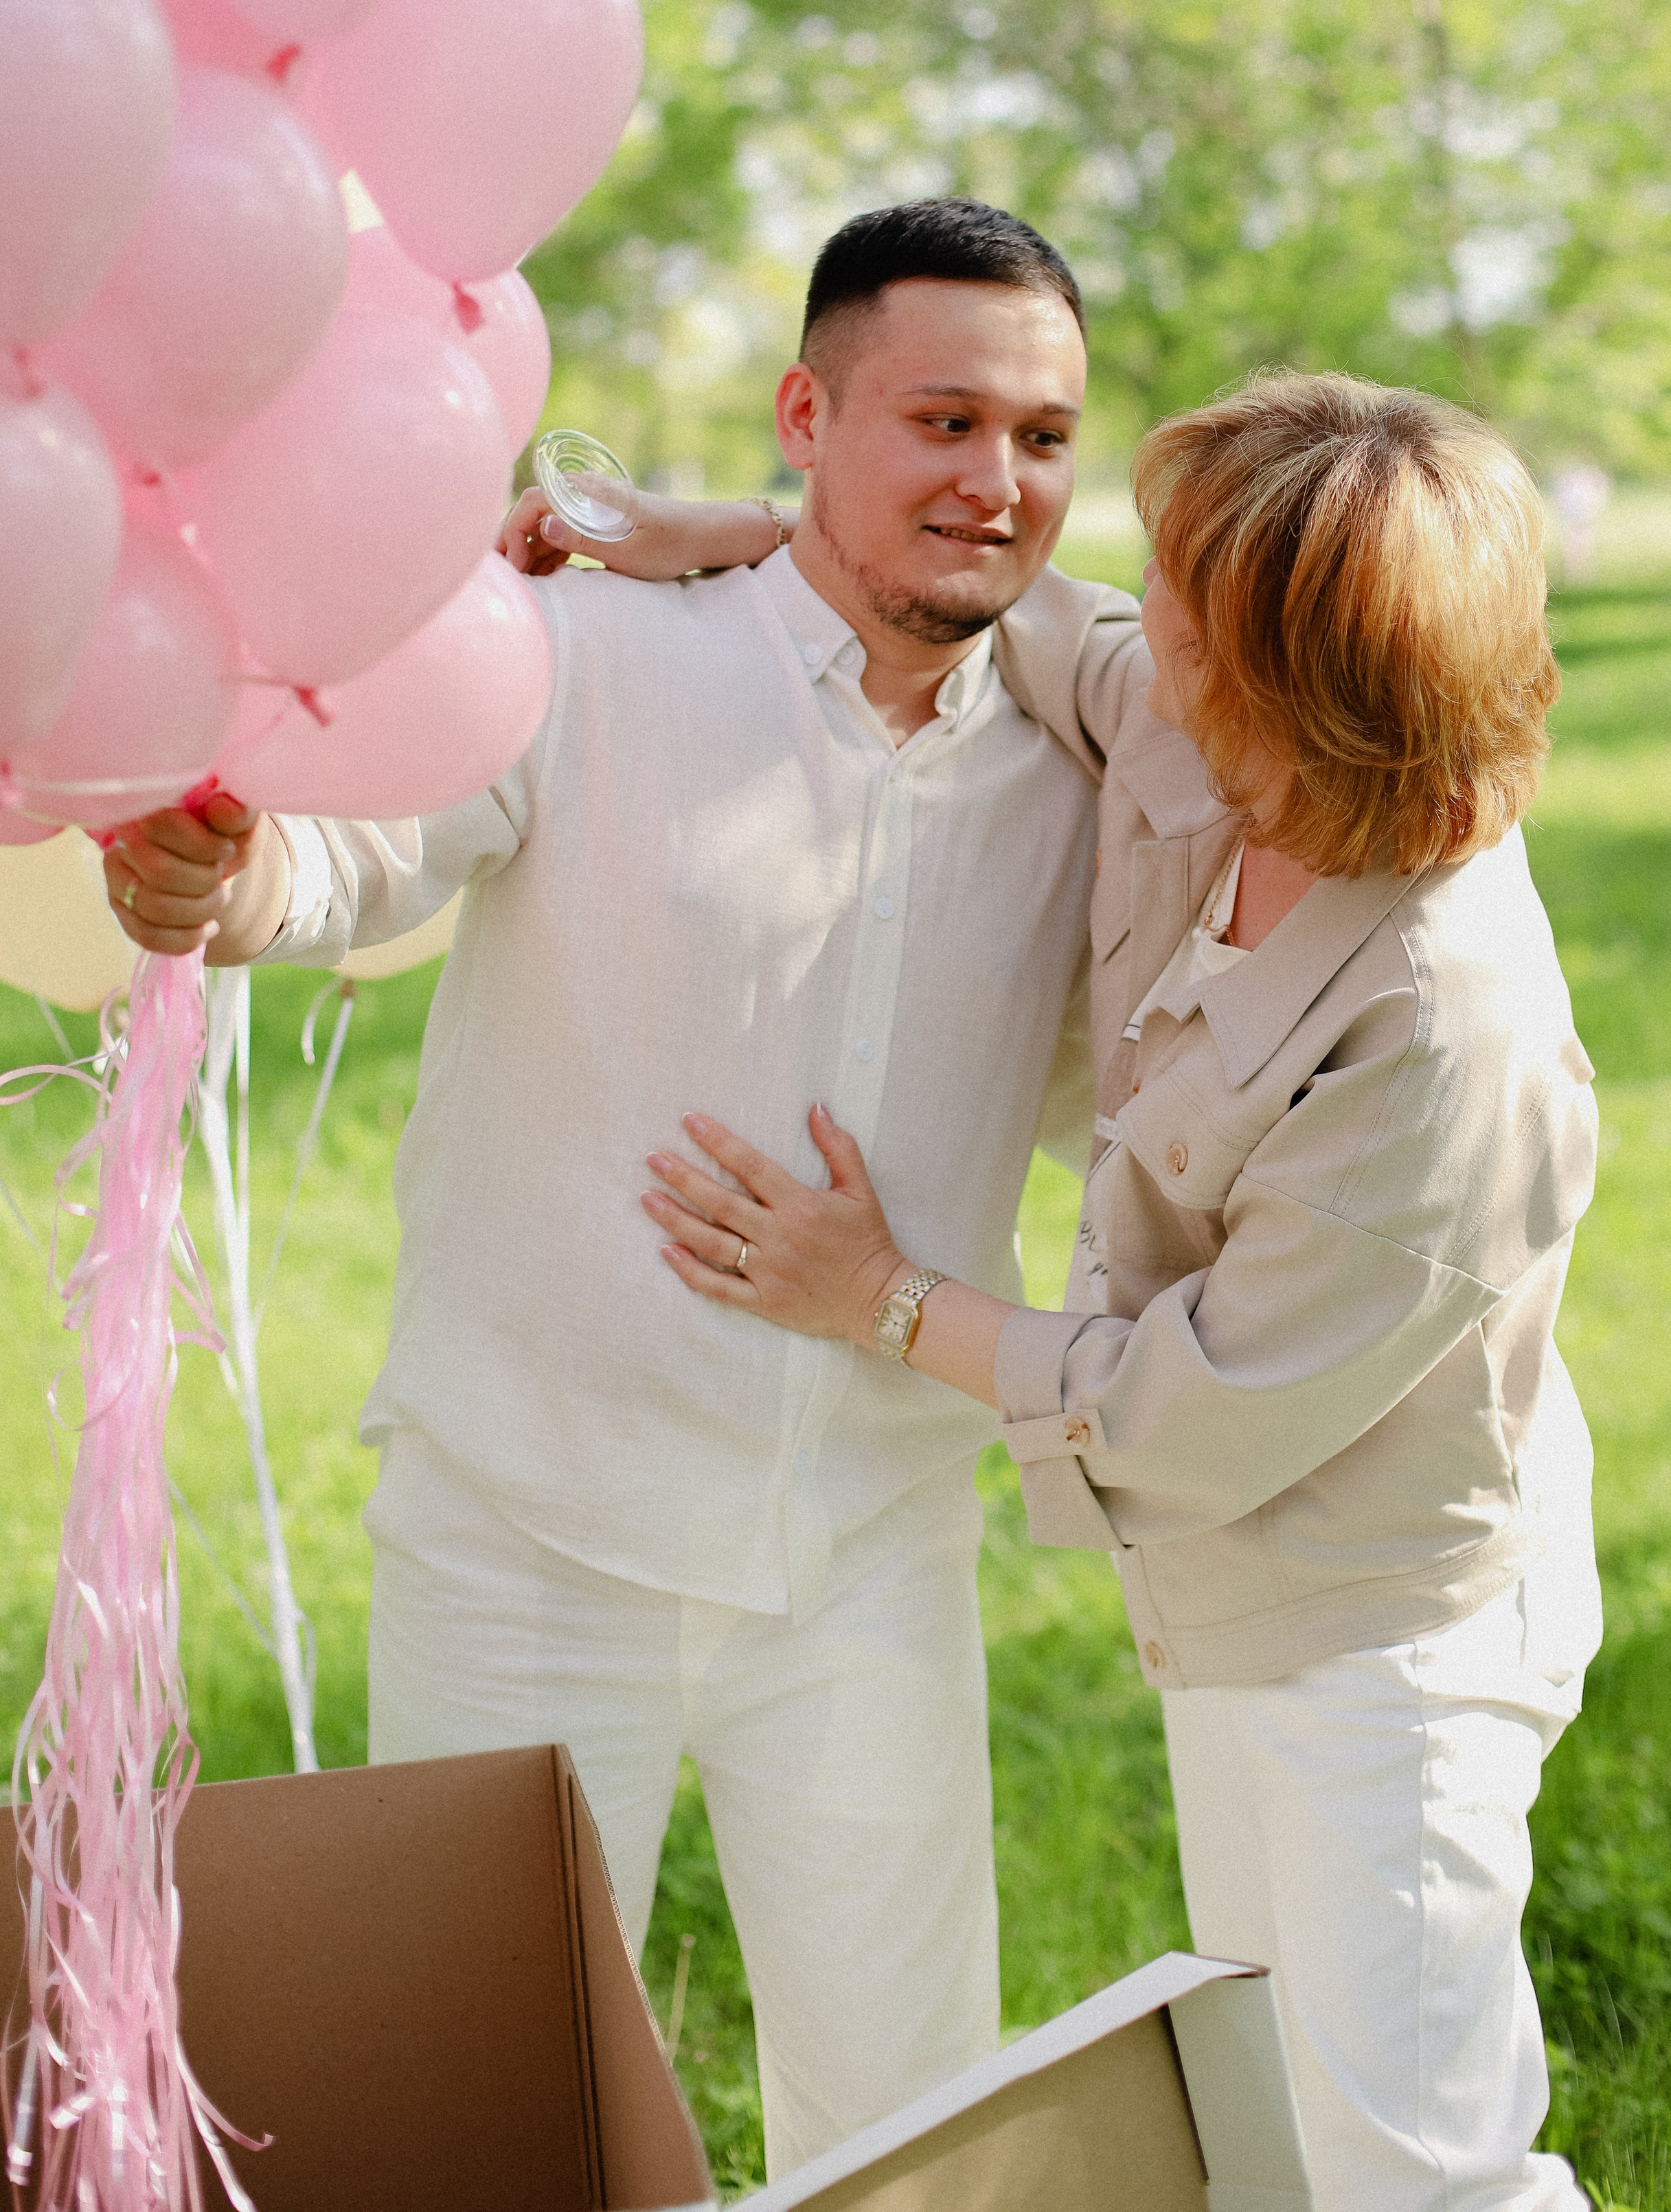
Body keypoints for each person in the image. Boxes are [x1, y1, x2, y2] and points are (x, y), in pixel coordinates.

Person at [104, 198, 1150, 2178]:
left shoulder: (1077, 753)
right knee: (471, 2115)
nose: (994, 482)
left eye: (1039, 437)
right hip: (529, 1538)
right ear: (802, 416)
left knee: (914, 2127)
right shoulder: (583, 648)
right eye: (941, 422)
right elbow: (358, 861)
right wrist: (222, 879)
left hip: (868, 1554)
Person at [644, 372, 1602, 2210]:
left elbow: (1190, 1406)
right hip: (1247, 1601)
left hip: (1382, 1635)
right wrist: (754, 542)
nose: (1130, 600)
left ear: (1286, 688)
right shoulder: (1209, 735)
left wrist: (884, 1298)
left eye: (1179, 593)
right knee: (1291, 2112)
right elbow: (1057, 638)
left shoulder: (1443, 1031)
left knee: (1421, 2163)